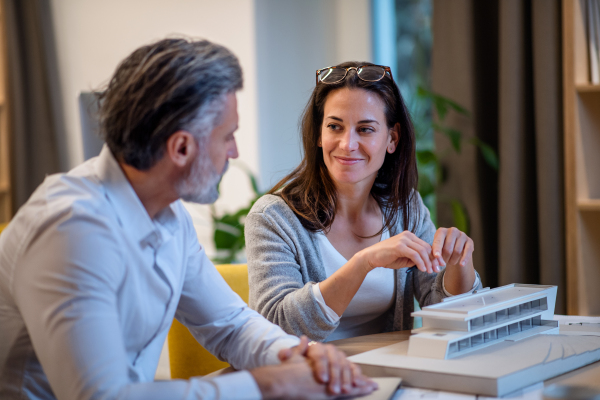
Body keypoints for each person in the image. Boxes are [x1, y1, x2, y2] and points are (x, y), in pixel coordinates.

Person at [0, 40, 377, 400]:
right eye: (227, 136)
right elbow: (101, 396)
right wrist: (268, 386)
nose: (235, 151)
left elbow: (229, 324)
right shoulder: (70, 232)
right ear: (181, 148)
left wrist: (297, 356)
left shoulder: (167, 214)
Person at [246, 62, 482, 342]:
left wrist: (459, 263)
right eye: (335, 126)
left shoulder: (404, 208)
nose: (347, 144)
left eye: (365, 129)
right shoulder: (273, 218)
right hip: (306, 378)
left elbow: (444, 311)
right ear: (319, 135)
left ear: (392, 139)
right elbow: (276, 325)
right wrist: (364, 262)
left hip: (389, 374)